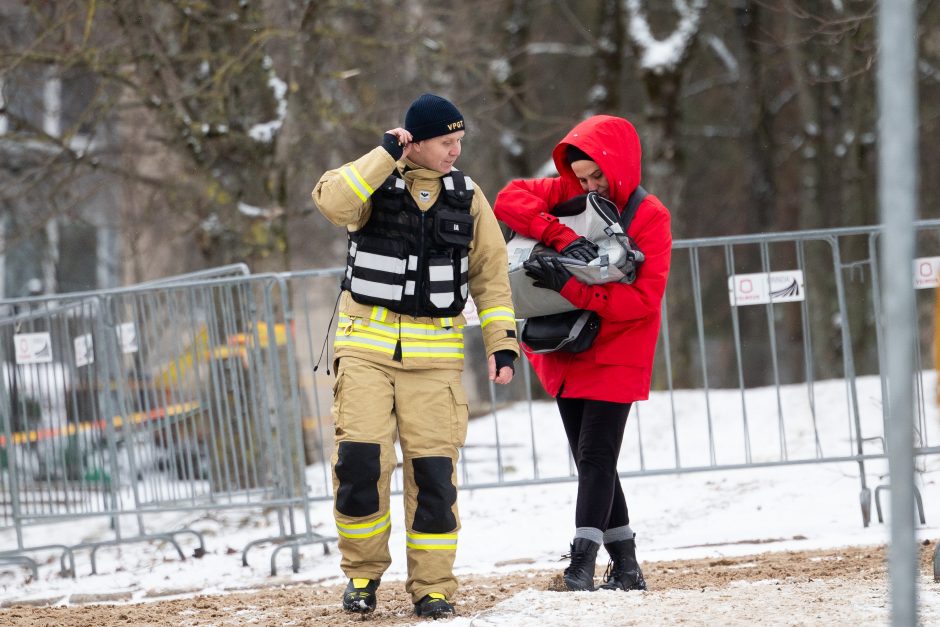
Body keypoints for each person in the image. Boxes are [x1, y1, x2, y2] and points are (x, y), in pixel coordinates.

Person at [312, 93, 519, 617]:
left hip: (436, 365)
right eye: (446, 142)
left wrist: (502, 344)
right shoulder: (372, 179)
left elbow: (491, 277)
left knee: (433, 480)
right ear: (417, 142)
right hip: (365, 354)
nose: (455, 151)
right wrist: (384, 154)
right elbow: (332, 202)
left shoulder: (467, 196)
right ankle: (361, 577)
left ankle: (432, 588)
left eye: (459, 142)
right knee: (359, 466)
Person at [493, 115, 671, 592]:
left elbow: (643, 301)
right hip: (568, 342)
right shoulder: (567, 189)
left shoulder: (650, 215)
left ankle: (581, 564)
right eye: (583, 177)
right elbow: (510, 199)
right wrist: (559, 235)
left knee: (594, 456)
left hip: (619, 344)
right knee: (593, 458)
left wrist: (572, 285)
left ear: (621, 166)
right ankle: (628, 567)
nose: (591, 186)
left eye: (598, 176)